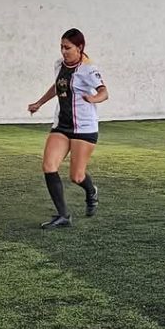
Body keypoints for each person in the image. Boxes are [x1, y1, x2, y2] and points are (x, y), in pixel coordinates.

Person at [27, 28, 108, 229]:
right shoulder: (59, 65)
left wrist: (93, 98)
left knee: (76, 176)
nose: (63, 51)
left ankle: (91, 191)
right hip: (61, 126)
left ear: (79, 48)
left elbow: (104, 92)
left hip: (84, 128)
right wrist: (39, 103)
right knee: (48, 166)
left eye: (68, 47)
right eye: (61, 47)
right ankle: (63, 216)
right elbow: (57, 86)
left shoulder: (88, 69)